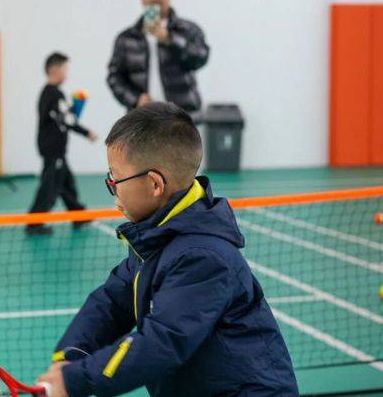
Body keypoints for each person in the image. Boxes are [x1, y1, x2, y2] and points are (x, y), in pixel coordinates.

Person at [38, 103, 298, 397]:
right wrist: (71, 355)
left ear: (154, 184)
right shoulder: (155, 236)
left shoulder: (204, 256)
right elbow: (112, 301)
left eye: (115, 179)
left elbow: (161, 342)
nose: (112, 187)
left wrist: (76, 380)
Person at [107, 0, 209, 115]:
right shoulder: (126, 38)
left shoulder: (188, 29)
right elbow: (114, 77)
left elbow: (200, 58)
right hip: (143, 116)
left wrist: (170, 39)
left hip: (183, 115)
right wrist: (136, 99)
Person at [26, 53, 97, 236]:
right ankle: (34, 222)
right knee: (50, 186)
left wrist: (75, 107)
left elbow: (63, 116)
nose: (67, 73)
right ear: (54, 70)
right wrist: (86, 132)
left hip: (55, 150)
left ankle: (78, 215)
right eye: (65, 69)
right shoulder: (53, 94)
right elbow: (67, 119)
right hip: (53, 149)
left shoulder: (50, 94)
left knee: (66, 183)